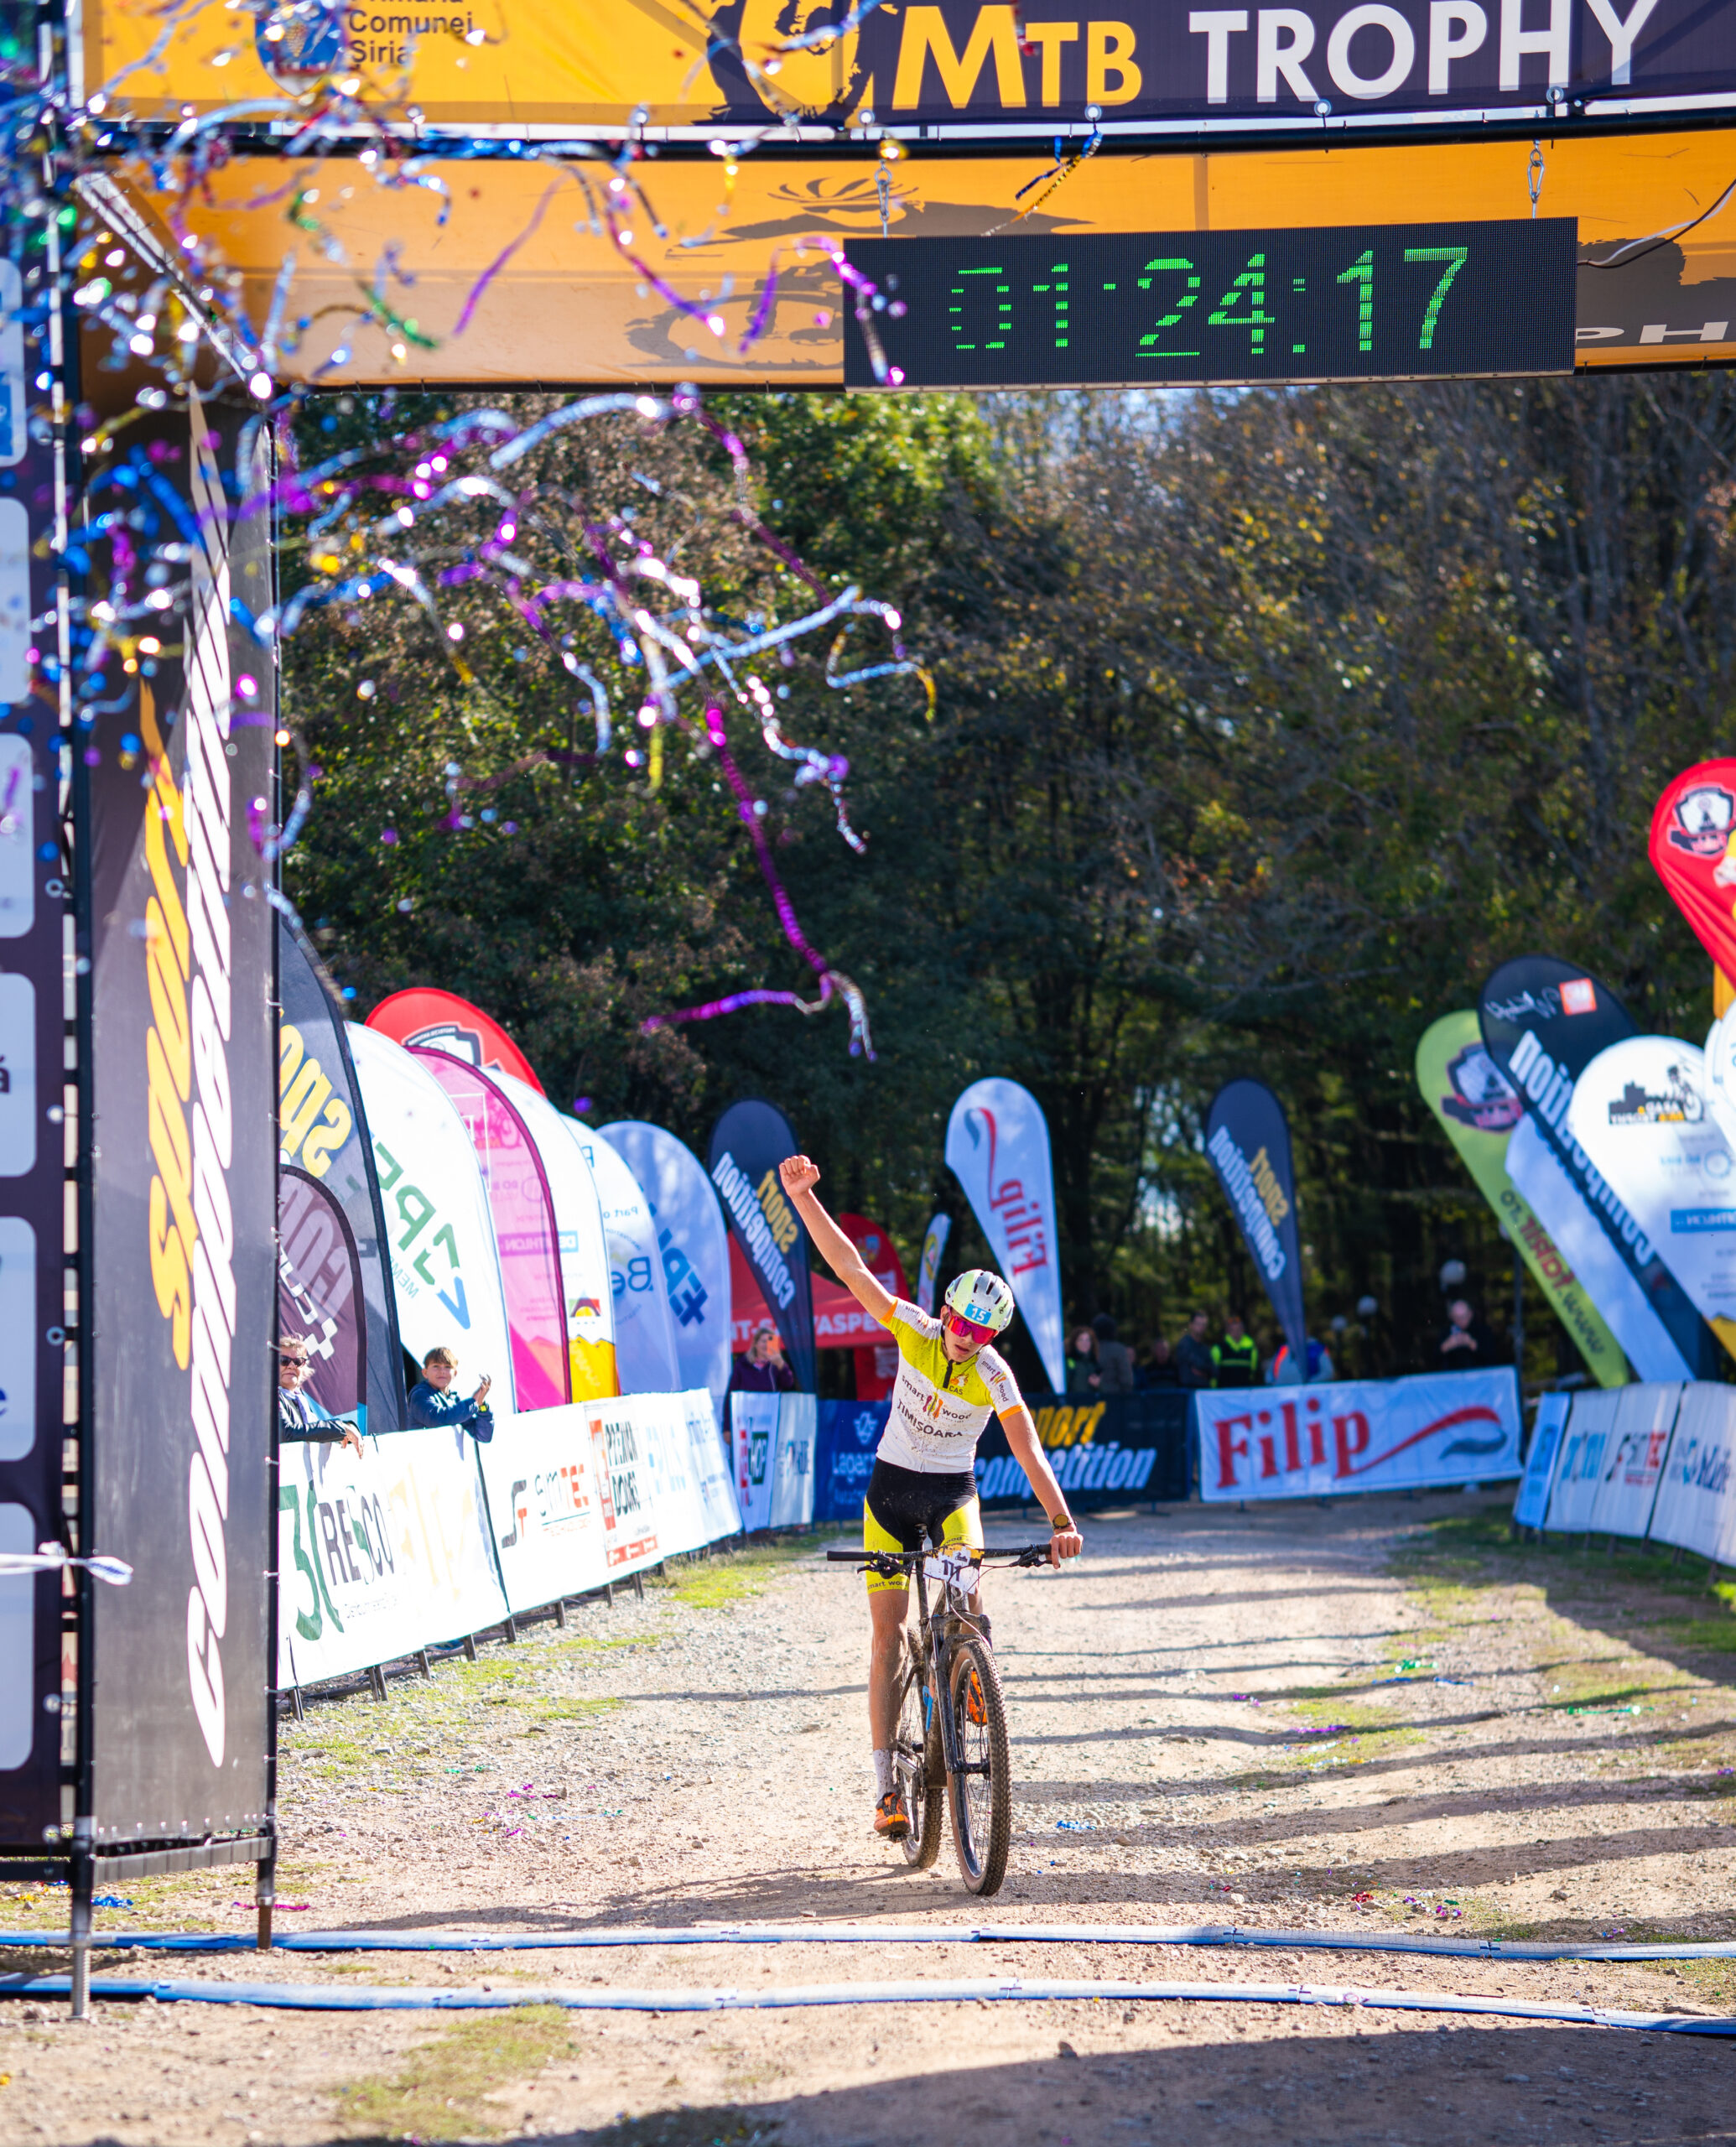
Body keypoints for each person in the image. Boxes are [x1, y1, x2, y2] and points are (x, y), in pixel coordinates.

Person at [778, 1152, 1084, 1843]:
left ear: (993, 1337)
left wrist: (1061, 1520)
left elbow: (1029, 1451)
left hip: (950, 1495)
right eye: (959, 1323)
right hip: (889, 1496)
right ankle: (886, 1786)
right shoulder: (915, 1329)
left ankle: (972, 1675)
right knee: (887, 1636)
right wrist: (802, 1199)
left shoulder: (994, 1375)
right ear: (944, 1311)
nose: (965, 1338)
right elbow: (850, 1268)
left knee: (968, 1594)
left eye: (981, 1332)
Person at [277, 1336, 363, 1454]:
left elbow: (315, 1431)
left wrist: (347, 1428)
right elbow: (288, 1434)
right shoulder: (269, 1397)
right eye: (284, 1360)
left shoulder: (301, 1400)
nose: (292, 1366)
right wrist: (340, 1428)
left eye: (298, 1361)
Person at [407, 1346, 495, 1440]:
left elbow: (484, 1436)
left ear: (455, 1373)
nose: (442, 1371)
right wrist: (473, 1402)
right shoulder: (419, 1395)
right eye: (436, 1366)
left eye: (447, 1367)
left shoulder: (454, 1400)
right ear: (425, 1372)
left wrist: (481, 1405)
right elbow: (438, 1419)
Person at [729, 1319, 796, 1393]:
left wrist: (782, 1366)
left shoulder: (776, 1365)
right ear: (755, 1344)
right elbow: (732, 1390)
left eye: (769, 1342)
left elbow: (788, 1385)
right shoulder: (742, 1364)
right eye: (763, 1341)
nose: (766, 1345)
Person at [1437, 1297, 1499, 1369]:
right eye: (1457, 1317)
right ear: (1451, 1317)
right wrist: (1446, 1346)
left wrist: (1472, 1344)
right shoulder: (1446, 1332)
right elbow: (1434, 1361)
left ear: (1470, 1314)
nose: (1460, 1320)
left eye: (1463, 1316)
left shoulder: (1483, 1331)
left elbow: (1493, 1357)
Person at [1213, 1313, 1260, 1389]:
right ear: (1227, 1331)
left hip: (1245, 1392)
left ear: (1243, 1330)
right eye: (1233, 1330)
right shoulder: (1219, 1349)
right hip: (1224, 1393)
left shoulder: (1251, 1349)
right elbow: (1213, 1375)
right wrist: (1213, 1390)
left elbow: (1253, 1374)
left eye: (1238, 1329)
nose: (1236, 1332)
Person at [1091, 1313, 1135, 1396]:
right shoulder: (1118, 1349)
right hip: (1116, 1397)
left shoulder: (1090, 1348)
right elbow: (1127, 1380)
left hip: (1092, 1398)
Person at [1173, 1309, 1215, 1391]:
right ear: (1191, 1325)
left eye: (1204, 1324)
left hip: (1203, 1392)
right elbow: (1199, 1366)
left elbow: (1214, 1371)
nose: (1201, 1327)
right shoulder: (1184, 1345)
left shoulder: (1205, 1348)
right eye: (1198, 1324)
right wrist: (1206, 1372)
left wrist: (1203, 1372)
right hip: (1188, 1392)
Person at [1269, 1335, 1337, 1384]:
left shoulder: (1317, 1349)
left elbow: (1328, 1372)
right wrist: (1272, 1381)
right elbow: (1271, 1370)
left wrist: (1309, 1383)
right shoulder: (1284, 1349)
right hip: (1282, 1391)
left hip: (1308, 1393)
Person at [1066, 1326, 1099, 1395]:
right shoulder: (1070, 1361)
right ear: (1074, 1342)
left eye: (1087, 1340)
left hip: (1093, 1400)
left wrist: (1098, 1384)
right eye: (1081, 1340)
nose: (1085, 1343)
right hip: (1075, 1400)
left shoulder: (1095, 1362)